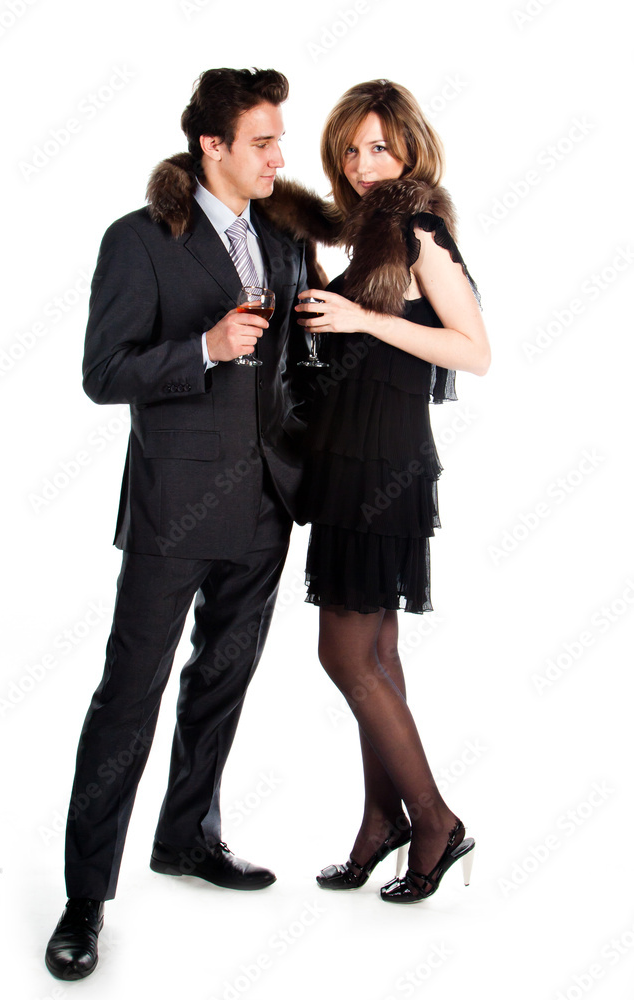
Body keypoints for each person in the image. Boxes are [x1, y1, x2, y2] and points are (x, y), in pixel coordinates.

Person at [45, 67, 313, 980]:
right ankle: (85, 897)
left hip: (268, 505)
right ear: (212, 146)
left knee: (219, 686)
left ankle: (187, 837)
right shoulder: (138, 239)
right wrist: (202, 346)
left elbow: (294, 367)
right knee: (130, 696)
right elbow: (103, 372)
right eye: (262, 142)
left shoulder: (281, 239)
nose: (278, 157)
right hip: (173, 509)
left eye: (280, 140)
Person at [270, 79, 490, 903]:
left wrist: (361, 320)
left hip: (380, 468)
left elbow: (472, 350)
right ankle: (378, 820)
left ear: (408, 151)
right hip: (349, 462)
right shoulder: (369, 236)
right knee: (377, 655)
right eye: (350, 150)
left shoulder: (417, 225)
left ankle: (434, 821)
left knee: (342, 654)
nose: (363, 165)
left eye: (378, 149)